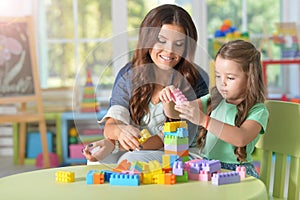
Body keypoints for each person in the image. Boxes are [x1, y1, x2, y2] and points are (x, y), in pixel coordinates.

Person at [82, 4, 209, 164]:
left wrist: (114, 145)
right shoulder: (129, 74)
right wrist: (117, 135)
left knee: (130, 160)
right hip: (138, 148)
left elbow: (172, 139)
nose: (169, 51)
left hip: (180, 152)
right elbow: (112, 124)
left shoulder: (195, 80)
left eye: (178, 44)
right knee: (97, 157)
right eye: (161, 41)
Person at [159, 40, 269, 178]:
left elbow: (241, 138)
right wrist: (169, 99)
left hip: (237, 172)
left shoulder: (258, 110)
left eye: (230, 77)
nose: (222, 82)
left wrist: (203, 120)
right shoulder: (214, 99)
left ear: (250, 78)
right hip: (208, 167)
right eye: (218, 75)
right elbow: (177, 112)